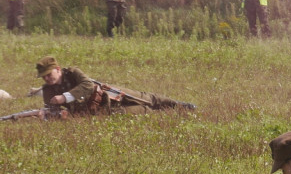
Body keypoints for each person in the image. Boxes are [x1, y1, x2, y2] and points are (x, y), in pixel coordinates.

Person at [34, 55, 195, 116]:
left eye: (49, 74)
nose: (47, 78)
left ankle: (179, 105)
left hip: (110, 93)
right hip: (102, 110)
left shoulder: (72, 72)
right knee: (143, 111)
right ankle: (171, 114)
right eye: (44, 76)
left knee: (147, 98)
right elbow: (53, 111)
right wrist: (48, 114)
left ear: (58, 69)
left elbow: (87, 85)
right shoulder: (48, 90)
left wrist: (64, 97)